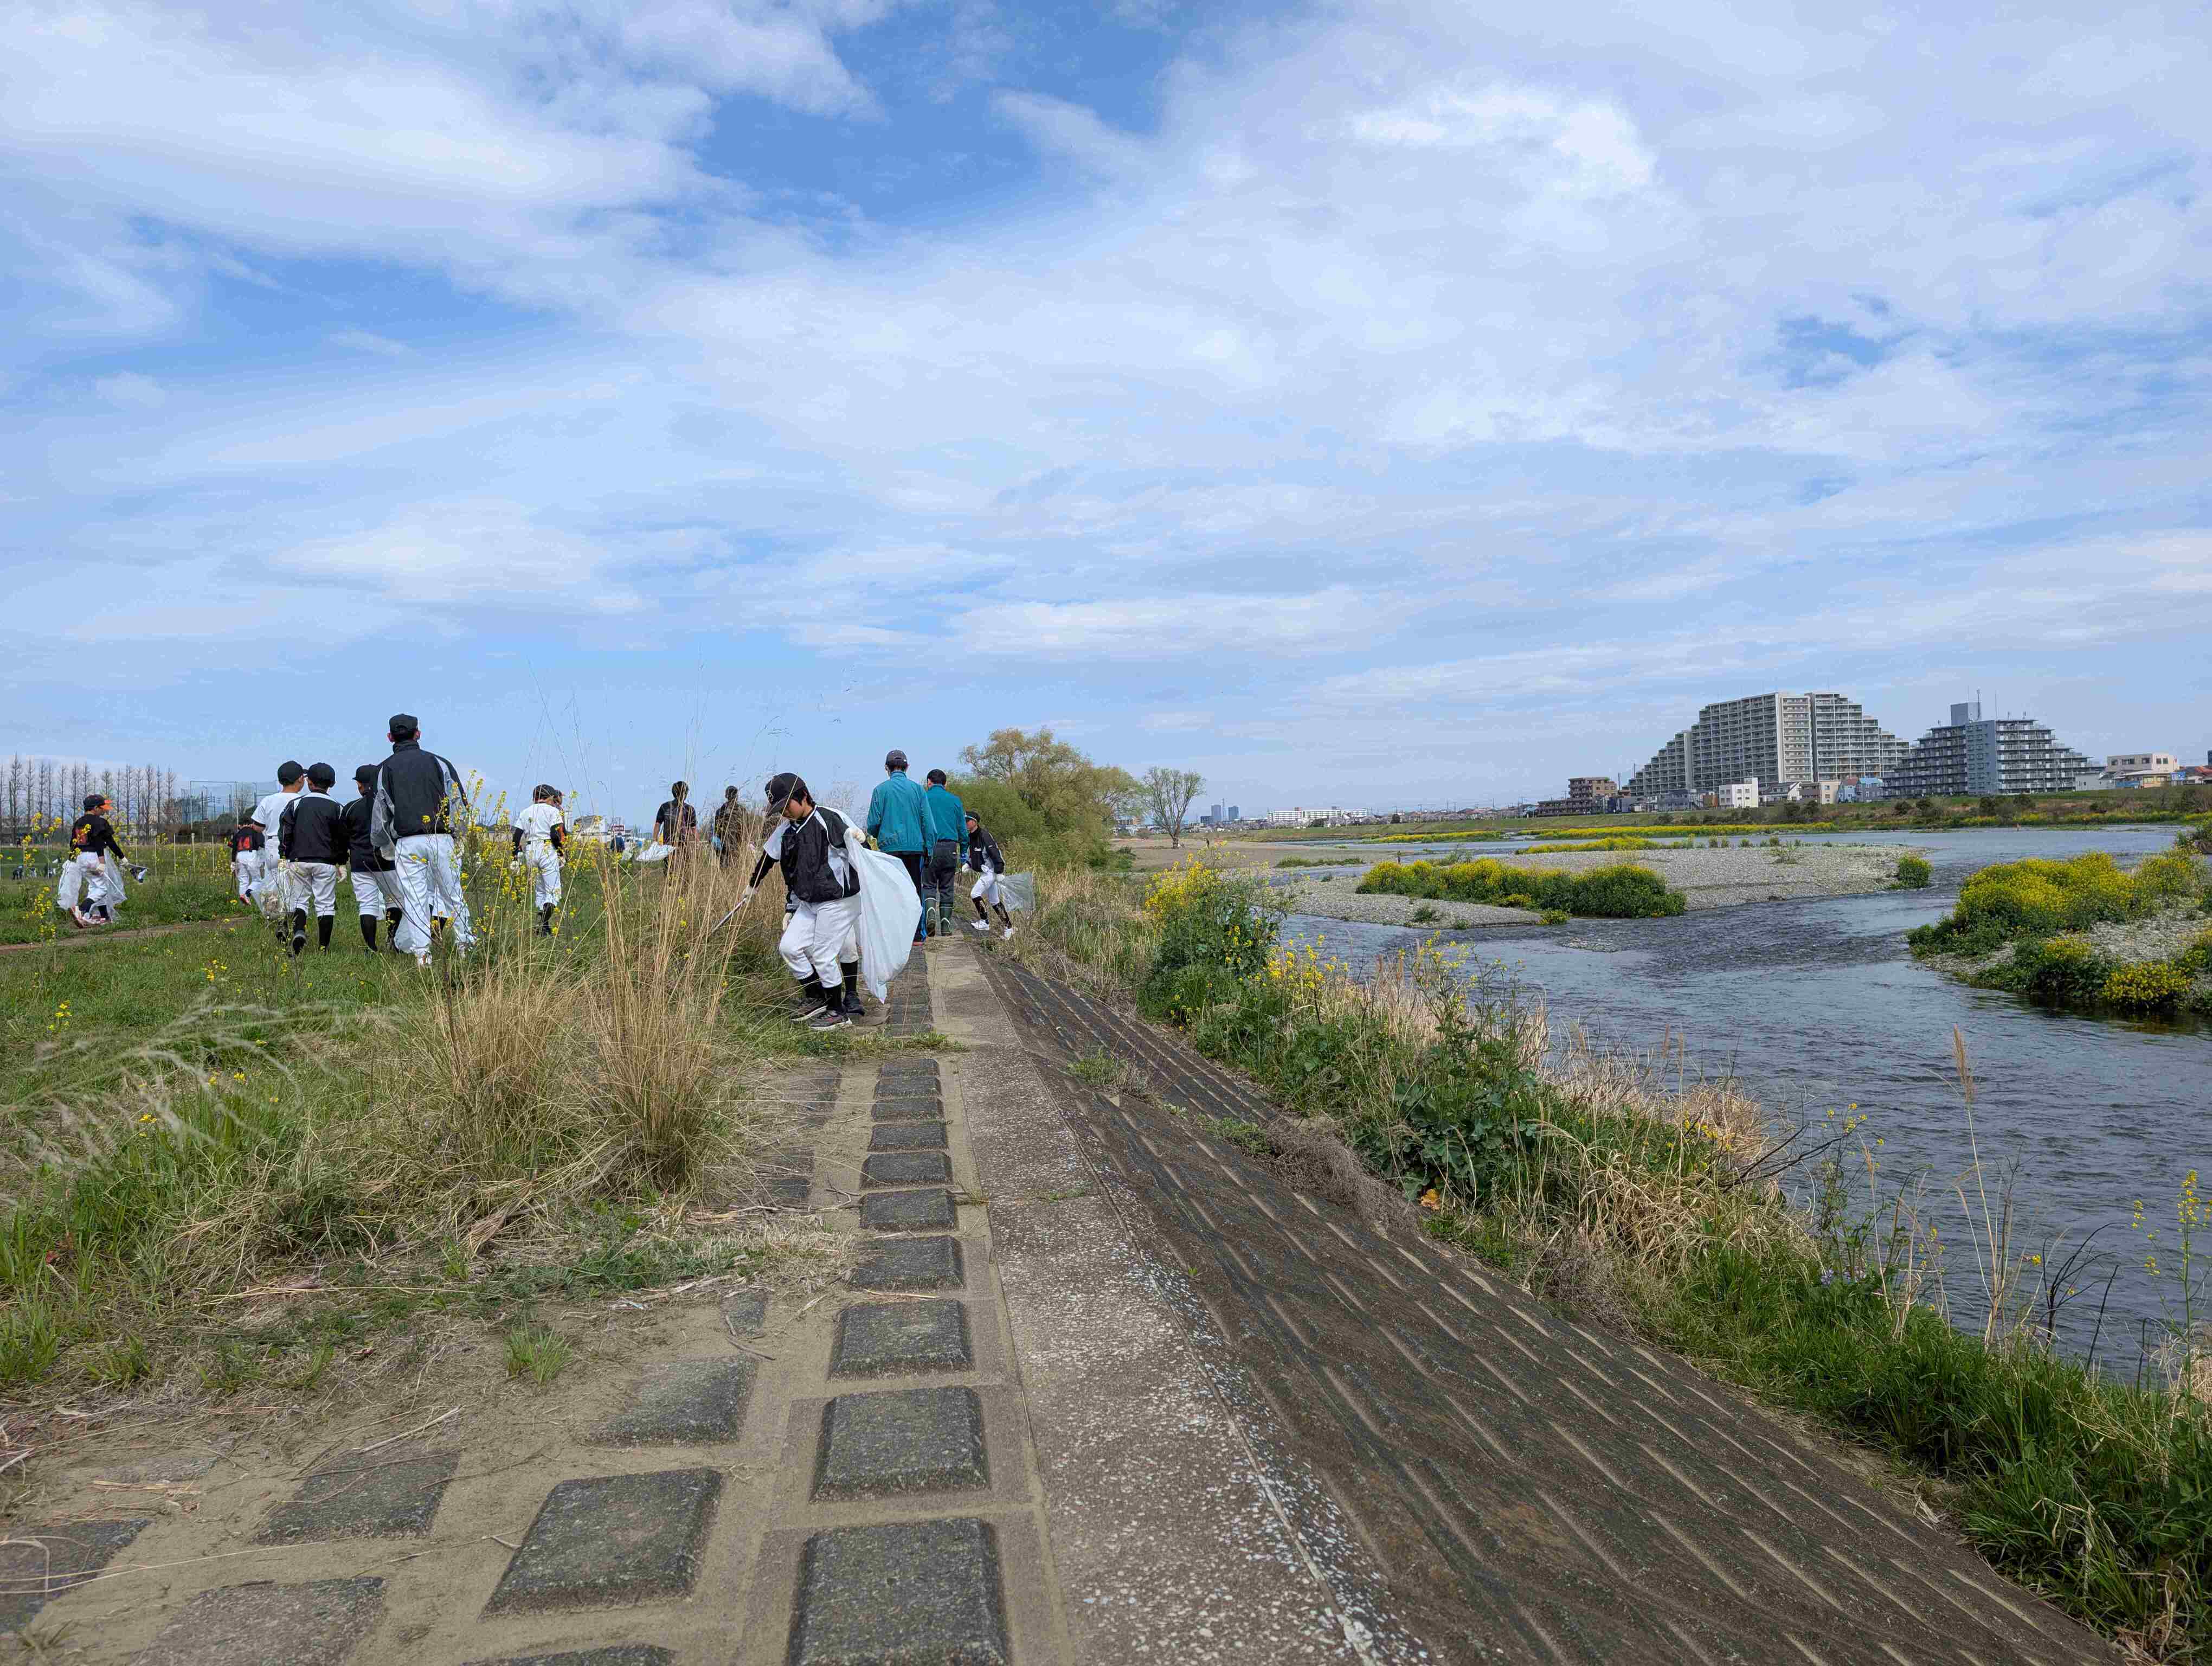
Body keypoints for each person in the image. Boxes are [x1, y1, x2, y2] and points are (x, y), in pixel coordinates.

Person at [744, 772, 865, 1030]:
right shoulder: (786, 829)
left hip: (838, 899)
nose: (784, 813)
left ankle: (838, 1011)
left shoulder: (829, 818)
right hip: (809, 902)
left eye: (787, 806)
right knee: (789, 948)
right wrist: (753, 886)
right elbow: (769, 857)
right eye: (779, 809)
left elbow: (860, 852)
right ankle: (817, 996)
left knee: (824, 955)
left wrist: (859, 841)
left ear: (804, 797)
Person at [370, 713, 474, 967]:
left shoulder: (384, 769)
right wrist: (458, 835)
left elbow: (381, 814)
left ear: (390, 737)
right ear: (418, 734)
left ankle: (423, 956)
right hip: (441, 837)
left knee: (415, 900)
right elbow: (459, 804)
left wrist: (383, 844)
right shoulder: (440, 763)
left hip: (407, 841)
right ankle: (466, 948)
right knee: (454, 895)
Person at [278, 763, 348, 956]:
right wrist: (342, 862)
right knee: (325, 903)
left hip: (298, 860)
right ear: (331, 784)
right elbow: (342, 838)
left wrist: (284, 855)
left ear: (309, 782)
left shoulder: (296, 804)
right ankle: (323, 948)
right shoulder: (337, 808)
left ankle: (300, 930)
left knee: (299, 900)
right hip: (325, 862)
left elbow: (285, 831)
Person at [866, 749, 931, 945]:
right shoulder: (918, 790)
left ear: (887, 768)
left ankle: (894, 935)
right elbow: (927, 821)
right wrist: (929, 848)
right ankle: (917, 936)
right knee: (914, 890)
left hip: (889, 850)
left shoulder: (880, 790)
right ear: (907, 767)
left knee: (891, 892)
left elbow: (872, 824)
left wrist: (881, 835)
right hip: (914, 849)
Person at [339, 765, 403, 951]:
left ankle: (371, 947)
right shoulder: (390, 805)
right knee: (394, 899)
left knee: (367, 904)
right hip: (387, 861)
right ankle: (392, 941)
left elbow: (344, 837)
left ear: (360, 785)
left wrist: (343, 858)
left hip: (361, 863)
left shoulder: (351, 808)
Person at [56, 793, 127, 930]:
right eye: (102, 808)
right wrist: (122, 857)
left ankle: (100, 916)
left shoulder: (79, 822)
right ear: (95, 808)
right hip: (94, 858)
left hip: (79, 858)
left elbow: (73, 843)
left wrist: (72, 860)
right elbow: (109, 842)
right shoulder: (100, 822)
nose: (104, 811)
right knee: (102, 888)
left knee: (95, 886)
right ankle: (82, 909)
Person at [249, 761, 306, 928]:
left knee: (272, 885)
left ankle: (277, 925)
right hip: (296, 845)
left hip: (274, 845)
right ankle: (296, 925)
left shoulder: (268, 800)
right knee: (296, 887)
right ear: (300, 780)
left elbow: (258, 827)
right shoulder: (302, 800)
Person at [512, 784, 567, 935]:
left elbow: (516, 836)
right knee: (554, 891)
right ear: (548, 797)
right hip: (547, 849)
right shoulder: (553, 811)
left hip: (530, 851)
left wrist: (515, 857)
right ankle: (543, 924)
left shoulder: (525, 812)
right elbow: (556, 836)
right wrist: (561, 853)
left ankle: (544, 928)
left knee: (541, 891)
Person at [921, 768, 966, 940]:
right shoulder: (955, 801)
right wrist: (963, 851)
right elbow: (963, 829)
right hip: (950, 848)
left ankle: (930, 916)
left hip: (930, 848)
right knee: (947, 888)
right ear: (945, 784)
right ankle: (946, 928)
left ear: (929, 782)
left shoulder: (923, 798)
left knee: (929, 885)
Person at [964, 810, 1015, 938]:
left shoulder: (984, 836)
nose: (965, 823)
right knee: (994, 901)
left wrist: (999, 871)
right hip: (985, 872)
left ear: (974, 822)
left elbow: (995, 853)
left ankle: (985, 922)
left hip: (991, 872)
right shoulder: (972, 836)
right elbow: (975, 855)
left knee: (975, 894)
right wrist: (969, 865)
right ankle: (1009, 928)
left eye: (967, 821)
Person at [654, 781, 698, 873]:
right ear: (685, 794)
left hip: (668, 845)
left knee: (669, 869)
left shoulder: (664, 807)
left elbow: (658, 825)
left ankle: (670, 886)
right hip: (683, 845)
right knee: (684, 869)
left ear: (673, 793)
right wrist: (698, 844)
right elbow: (694, 829)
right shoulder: (690, 809)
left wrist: (655, 841)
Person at [230, 818, 264, 908]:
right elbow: (262, 843)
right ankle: (247, 895)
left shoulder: (238, 833)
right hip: (251, 855)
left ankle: (243, 905)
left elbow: (233, 849)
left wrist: (233, 862)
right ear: (250, 824)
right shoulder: (254, 831)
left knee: (243, 881)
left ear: (241, 825)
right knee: (257, 880)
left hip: (239, 856)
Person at [713, 785, 747, 868]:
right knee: (737, 869)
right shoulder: (742, 811)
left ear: (726, 796)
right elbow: (746, 830)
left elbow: (716, 830)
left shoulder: (720, 811)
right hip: (738, 846)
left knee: (724, 870)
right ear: (737, 796)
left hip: (723, 846)